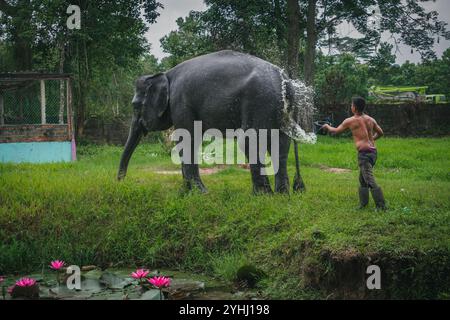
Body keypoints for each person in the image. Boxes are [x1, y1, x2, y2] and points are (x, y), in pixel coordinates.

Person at [322, 97, 387, 210]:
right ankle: (363, 204)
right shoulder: (370, 119)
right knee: (362, 179)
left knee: (369, 179)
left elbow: (336, 131)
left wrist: (327, 126)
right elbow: (381, 133)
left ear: (355, 108)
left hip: (364, 154)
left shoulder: (350, 121)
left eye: (351, 105)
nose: (351, 107)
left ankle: (381, 206)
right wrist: (370, 141)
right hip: (373, 152)